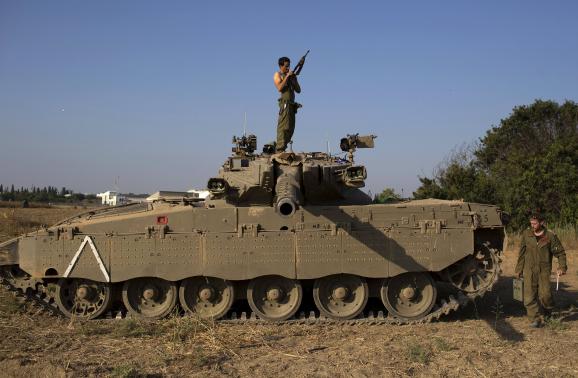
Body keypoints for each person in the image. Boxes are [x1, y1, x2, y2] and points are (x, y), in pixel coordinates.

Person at [515, 212, 567, 328]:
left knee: (545, 296)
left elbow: (560, 253)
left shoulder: (550, 236)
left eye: (535, 223)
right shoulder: (526, 234)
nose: (532, 225)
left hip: (544, 270)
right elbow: (522, 253)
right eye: (531, 223)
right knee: (528, 297)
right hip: (529, 269)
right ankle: (535, 319)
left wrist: (562, 267)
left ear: (541, 222)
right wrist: (519, 269)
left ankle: (548, 313)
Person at [273, 56, 301, 152]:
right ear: (280, 66)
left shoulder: (290, 76)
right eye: (286, 66)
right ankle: (280, 148)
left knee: (290, 127)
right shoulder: (278, 75)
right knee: (283, 127)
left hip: (292, 105)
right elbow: (280, 88)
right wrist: (287, 77)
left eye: (289, 66)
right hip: (284, 105)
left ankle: (284, 146)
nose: (288, 68)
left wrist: (293, 79)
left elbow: (298, 90)